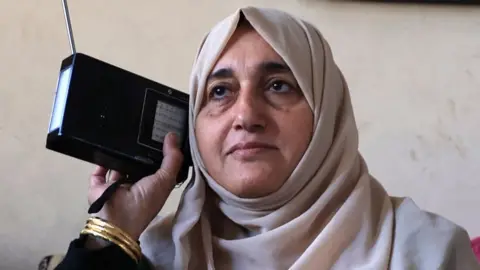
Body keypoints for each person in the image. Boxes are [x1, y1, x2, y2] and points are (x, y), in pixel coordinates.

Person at [53, 6, 480, 270]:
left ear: (326, 112)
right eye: (219, 92)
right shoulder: (153, 255)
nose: (246, 115)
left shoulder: (425, 253)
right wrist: (108, 232)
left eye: (278, 86)